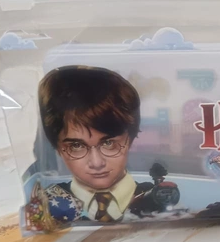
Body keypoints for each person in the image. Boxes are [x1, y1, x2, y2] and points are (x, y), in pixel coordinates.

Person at [38, 65, 147, 224]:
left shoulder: (159, 200)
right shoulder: (44, 207)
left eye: (108, 143)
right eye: (76, 146)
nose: (96, 163)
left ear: (130, 139)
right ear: (58, 147)